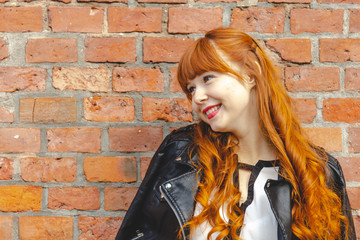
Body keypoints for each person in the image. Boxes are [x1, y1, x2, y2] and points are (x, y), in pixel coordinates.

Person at [115, 28, 356, 240]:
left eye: (208, 78)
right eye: (191, 89)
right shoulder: (182, 156)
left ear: (251, 74)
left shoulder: (319, 172)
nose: (196, 98)